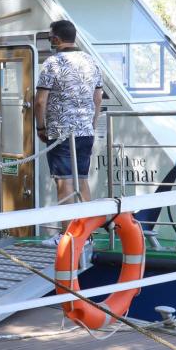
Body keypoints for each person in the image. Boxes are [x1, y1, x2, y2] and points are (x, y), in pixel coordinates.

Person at [35, 19, 103, 209]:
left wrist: (40, 126)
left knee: (64, 182)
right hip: (85, 132)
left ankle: (67, 236)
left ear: (56, 39)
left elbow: (40, 101)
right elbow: (98, 98)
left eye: (50, 38)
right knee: (81, 180)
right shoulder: (91, 61)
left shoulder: (52, 63)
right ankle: (85, 235)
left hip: (60, 132)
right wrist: (92, 124)